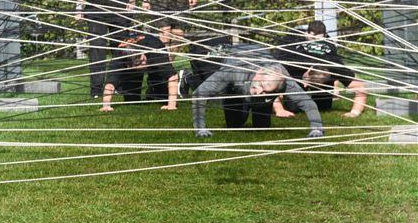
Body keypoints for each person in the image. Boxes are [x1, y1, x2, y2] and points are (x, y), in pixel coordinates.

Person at [179, 43, 323, 139]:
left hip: (260, 92)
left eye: (267, 91)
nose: (259, 92)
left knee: (262, 128)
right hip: (236, 86)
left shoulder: (283, 79)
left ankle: (258, 107)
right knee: (234, 125)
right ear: (259, 73)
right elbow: (199, 94)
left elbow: (307, 102)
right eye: (260, 85)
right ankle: (188, 78)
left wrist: (316, 129)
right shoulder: (233, 71)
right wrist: (200, 128)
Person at [272, 20, 367, 118]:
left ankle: (325, 89)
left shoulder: (333, 64)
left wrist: (354, 112)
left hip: (324, 64)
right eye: (308, 83)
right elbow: (268, 78)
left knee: (323, 107)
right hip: (297, 66)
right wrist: (279, 109)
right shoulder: (292, 59)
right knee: (293, 107)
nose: (307, 85)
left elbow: (360, 87)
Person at [99, 30, 178, 112]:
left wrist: (171, 105)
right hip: (132, 68)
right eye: (139, 63)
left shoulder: (155, 52)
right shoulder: (119, 59)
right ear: (128, 66)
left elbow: (173, 76)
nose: (144, 63)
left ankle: (153, 90)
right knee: (131, 100)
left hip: (152, 49)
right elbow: (110, 84)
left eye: (143, 59)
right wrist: (106, 106)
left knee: (162, 96)